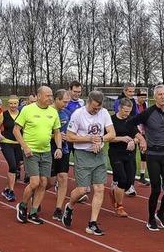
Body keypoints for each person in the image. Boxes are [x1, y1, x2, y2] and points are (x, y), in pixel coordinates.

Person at [62, 90, 115, 235]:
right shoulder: (78, 114)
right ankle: (70, 206)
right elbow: (70, 137)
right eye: (94, 107)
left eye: (98, 108)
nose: (96, 110)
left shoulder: (103, 113)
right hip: (83, 154)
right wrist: (89, 139)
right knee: (83, 189)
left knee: (99, 188)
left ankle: (92, 223)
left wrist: (101, 139)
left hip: (98, 155)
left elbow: (112, 133)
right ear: (88, 102)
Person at [127, 84, 164, 231]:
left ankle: (160, 213)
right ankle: (150, 219)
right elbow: (130, 124)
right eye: (160, 94)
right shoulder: (148, 113)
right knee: (155, 190)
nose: (163, 97)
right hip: (153, 155)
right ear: (155, 96)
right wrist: (141, 138)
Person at [14, 86, 63, 225]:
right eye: (47, 95)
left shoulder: (53, 112)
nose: (50, 98)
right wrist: (25, 147)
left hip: (46, 152)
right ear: (39, 96)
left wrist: (58, 147)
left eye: (51, 95)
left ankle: (34, 212)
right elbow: (16, 130)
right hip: (31, 152)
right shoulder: (27, 109)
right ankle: (23, 206)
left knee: (44, 183)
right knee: (34, 182)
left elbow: (57, 131)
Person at [108, 98, 145, 218]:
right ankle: (119, 206)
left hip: (129, 154)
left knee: (129, 182)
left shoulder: (131, 120)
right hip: (116, 153)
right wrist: (122, 138)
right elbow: (106, 137)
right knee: (122, 180)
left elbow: (136, 135)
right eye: (124, 111)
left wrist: (133, 141)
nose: (126, 114)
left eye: (129, 111)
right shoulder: (111, 120)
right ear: (119, 108)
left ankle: (114, 192)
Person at [49, 90, 73, 221]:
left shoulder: (67, 113)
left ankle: (58, 208)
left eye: (68, 102)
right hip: (48, 149)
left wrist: (68, 136)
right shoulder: (47, 112)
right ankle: (35, 195)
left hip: (63, 149)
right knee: (48, 182)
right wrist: (55, 135)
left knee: (63, 177)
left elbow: (71, 130)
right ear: (56, 99)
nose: (66, 104)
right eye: (64, 102)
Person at [0, 97, 22, 202]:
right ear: (8, 104)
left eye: (15, 103)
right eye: (11, 103)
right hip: (6, 142)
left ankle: (6, 189)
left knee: (16, 167)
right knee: (12, 165)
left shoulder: (22, 114)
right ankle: (11, 191)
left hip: (18, 143)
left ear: (18, 104)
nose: (13, 105)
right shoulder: (4, 114)